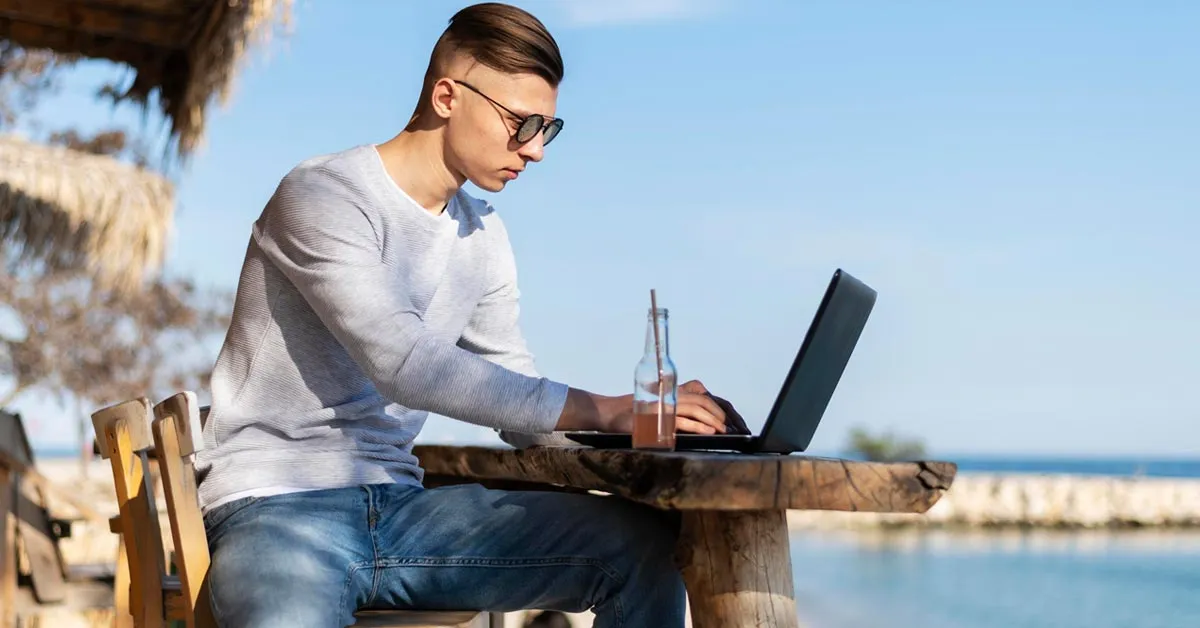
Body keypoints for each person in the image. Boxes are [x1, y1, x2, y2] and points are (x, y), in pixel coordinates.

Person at [194, 3, 729, 627]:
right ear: (448, 96)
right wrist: (605, 406)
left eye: (547, 130)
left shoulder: (483, 237)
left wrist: (644, 423)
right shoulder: (324, 194)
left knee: (644, 548)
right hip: (276, 508)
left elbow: (517, 398)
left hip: (404, 513)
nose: (534, 151)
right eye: (521, 123)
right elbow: (405, 363)